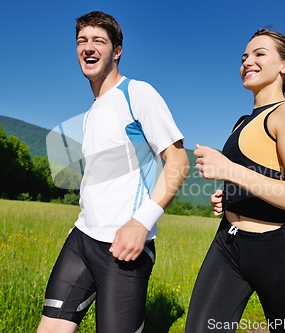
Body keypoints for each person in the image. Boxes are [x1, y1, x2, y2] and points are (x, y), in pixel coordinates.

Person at [37, 11, 189, 333]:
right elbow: (98, 177)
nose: (88, 48)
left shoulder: (137, 93)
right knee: (50, 328)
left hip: (124, 246)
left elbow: (178, 162)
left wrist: (141, 223)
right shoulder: (92, 112)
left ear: (116, 51)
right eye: (82, 41)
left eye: (98, 41)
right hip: (82, 238)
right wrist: (83, 219)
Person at [185, 28, 285, 333]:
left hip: (279, 252)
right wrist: (230, 195)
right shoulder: (242, 122)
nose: (247, 62)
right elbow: (262, 175)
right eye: (244, 57)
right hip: (228, 244)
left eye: (259, 54)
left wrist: (230, 171)